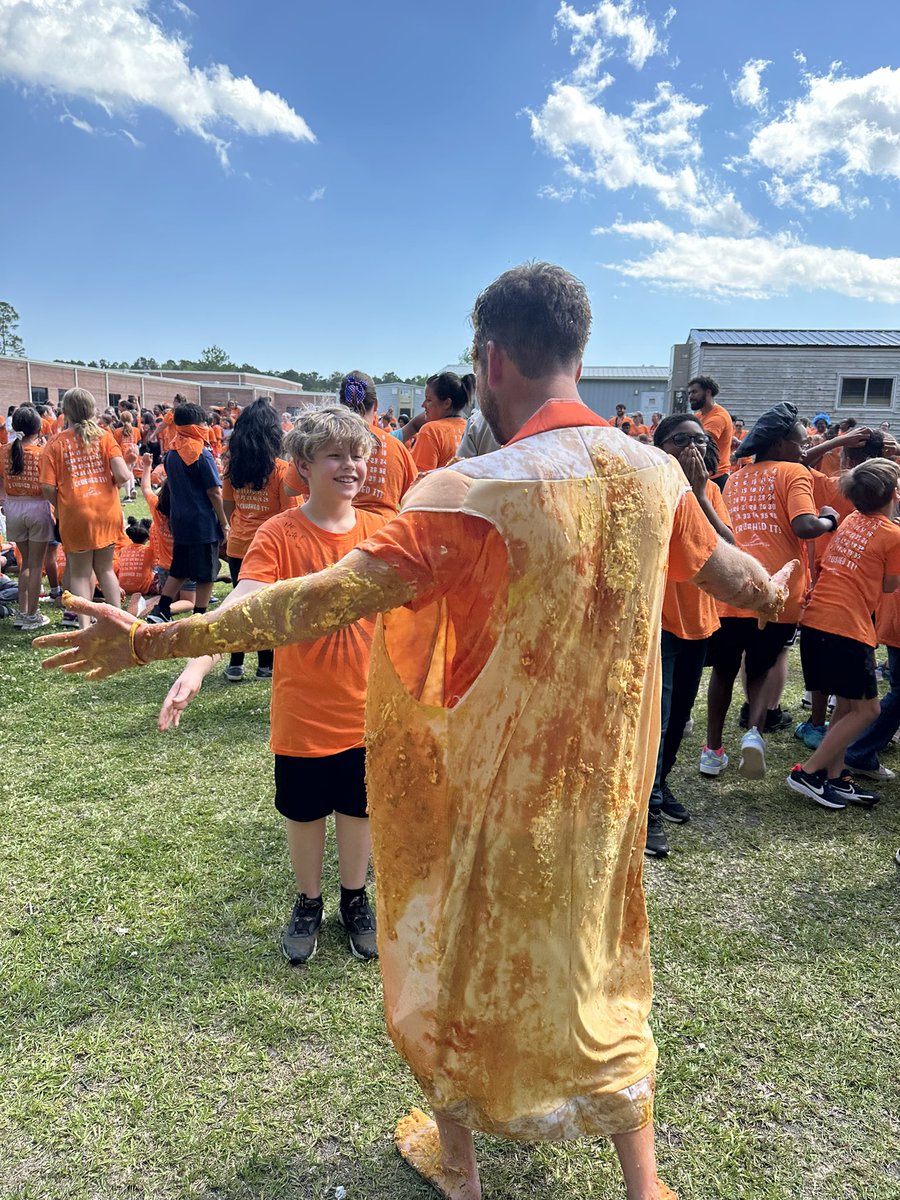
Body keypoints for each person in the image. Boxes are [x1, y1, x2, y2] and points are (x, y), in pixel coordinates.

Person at [37, 263, 793, 1200]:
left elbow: (311, 603)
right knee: (602, 956)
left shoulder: (469, 491)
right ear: (579, 354)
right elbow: (732, 577)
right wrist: (782, 583)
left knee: (446, 962)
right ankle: (644, 1185)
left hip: (480, 794)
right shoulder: (658, 474)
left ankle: (462, 1168)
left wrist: (161, 639)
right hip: (602, 799)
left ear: (491, 357)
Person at [158, 408, 384, 963]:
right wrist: (197, 664)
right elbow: (241, 605)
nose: (350, 465)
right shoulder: (279, 534)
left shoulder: (384, 529)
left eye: (357, 454)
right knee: (305, 813)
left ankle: (355, 898)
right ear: (304, 464)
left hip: (369, 708)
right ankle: (309, 901)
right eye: (335, 455)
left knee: (360, 809)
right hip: (304, 710)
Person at [700, 402, 837, 781]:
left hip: (733, 586)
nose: (804, 449)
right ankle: (754, 734)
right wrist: (831, 518)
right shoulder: (795, 473)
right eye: (799, 442)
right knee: (763, 665)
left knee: (725, 670)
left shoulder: (737, 478)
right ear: (779, 445)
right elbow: (806, 525)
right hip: (778, 591)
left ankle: (712, 750)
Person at [645, 415, 733, 859]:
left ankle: (660, 785)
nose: (694, 449)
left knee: (679, 716)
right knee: (655, 722)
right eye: (682, 440)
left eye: (702, 441)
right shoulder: (649, 486)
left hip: (698, 618)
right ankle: (648, 810)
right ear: (660, 446)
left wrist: (700, 494)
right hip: (657, 619)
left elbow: (727, 546)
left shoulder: (712, 491)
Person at [788, 459, 900, 809]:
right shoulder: (894, 535)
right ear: (894, 495)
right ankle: (808, 771)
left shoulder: (850, 519)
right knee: (868, 711)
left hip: (819, 621)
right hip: (847, 627)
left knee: (849, 705)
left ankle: (835, 776)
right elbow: (889, 586)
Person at [39, 388, 131, 629]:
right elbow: (122, 475)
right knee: (105, 569)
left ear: (65, 411)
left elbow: (47, 487)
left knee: (79, 574)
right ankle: (118, 625)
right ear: (92, 409)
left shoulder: (55, 443)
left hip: (74, 513)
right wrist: (106, 487)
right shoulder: (105, 437)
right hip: (106, 511)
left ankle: (83, 627)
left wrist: (62, 504)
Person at [221, 398, 298, 681]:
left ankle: (235, 663)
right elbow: (290, 512)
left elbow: (228, 507)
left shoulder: (233, 469)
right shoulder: (280, 470)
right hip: (269, 548)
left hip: (239, 545)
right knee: (268, 605)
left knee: (238, 602)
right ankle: (266, 663)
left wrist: (240, 526)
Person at [284, 373, 419, 519]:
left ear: (341, 403)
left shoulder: (321, 440)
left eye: (357, 457)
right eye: (336, 455)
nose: (350, 464)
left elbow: (290, 488)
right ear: (375, 405)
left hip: (328, 527)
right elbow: (417, 498)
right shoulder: (396, 447)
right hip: (383, 535)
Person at [143, 404, 228, 624]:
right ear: (196, 425)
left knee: (179, 569)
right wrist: (224, 522)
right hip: (202, 522)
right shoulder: (200, 452)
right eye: (204, 424)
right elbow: (214, 492)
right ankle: (200, 616)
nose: (207, 427)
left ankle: (161, 609)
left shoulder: (172, 452)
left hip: (179, 521)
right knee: (206, 573)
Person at [0, 405, 54, 629]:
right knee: (34, 564)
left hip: (12, 507)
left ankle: (23, 612)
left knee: (25, 564)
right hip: (37, 508)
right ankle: (32, 615)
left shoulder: (4, 450)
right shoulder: (42, 453)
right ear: (38, 428)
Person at [410, 372, 474, 471]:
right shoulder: (470, 429)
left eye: (428, 400)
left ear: (447, 403)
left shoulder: (431, 431)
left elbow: (419, 478)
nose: (423, 405)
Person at [688, 376, 733, 490]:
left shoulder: (718, 417)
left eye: (694, 392)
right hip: (703, 475)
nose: (690, 397)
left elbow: (699, 442)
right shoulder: (698, 416)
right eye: (689, 393)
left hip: (716, 477)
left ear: (708, 392)